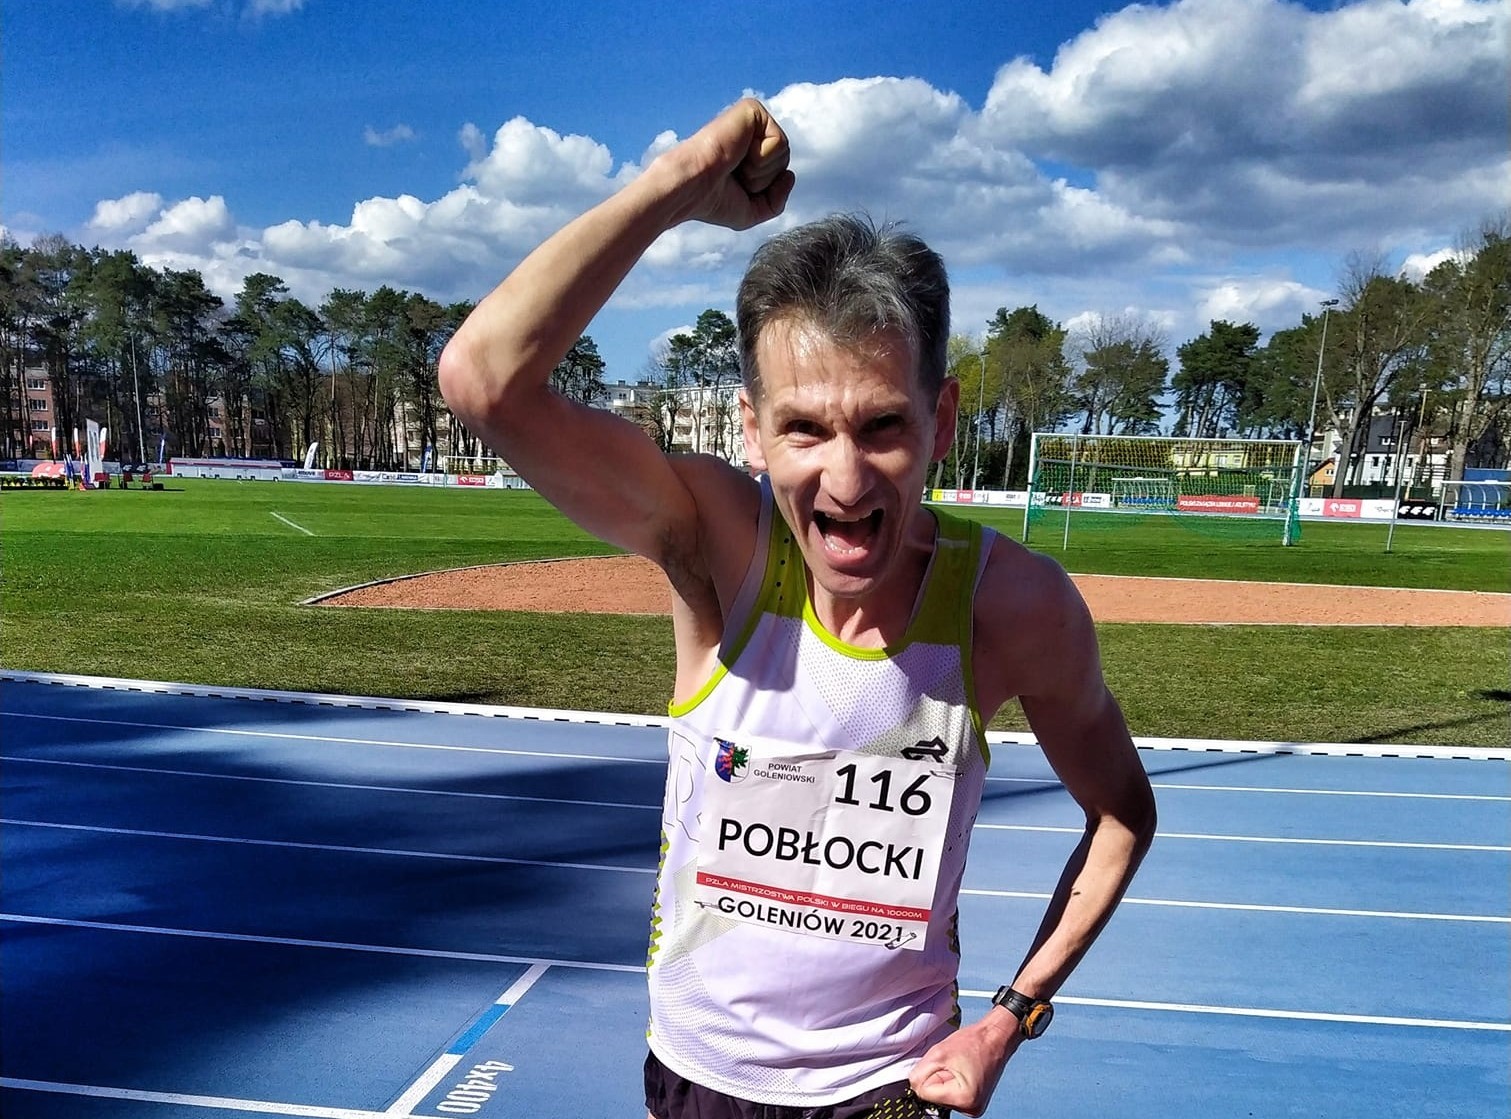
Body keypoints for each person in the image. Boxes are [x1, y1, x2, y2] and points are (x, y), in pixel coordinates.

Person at [439, 98, 1156, 1119]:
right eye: (804, 429)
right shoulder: (717, 549)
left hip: (889, 1087)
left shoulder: (1011, 604)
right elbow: (483, 380)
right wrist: (678, 186)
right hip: (699, 1080)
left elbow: (1121, 812)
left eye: (882, 425)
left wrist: (1010, 1016)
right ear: (750, 427)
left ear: (942, 418)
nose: (845, 480)